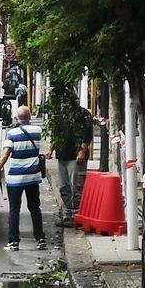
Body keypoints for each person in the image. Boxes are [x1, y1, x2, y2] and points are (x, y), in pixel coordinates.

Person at [0, 104, 45, 251]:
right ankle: (40, 239)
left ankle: (14, 241)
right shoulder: (37, 131)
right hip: (32, 177)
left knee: (14, 209)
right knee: (35, 207)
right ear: (30, 117)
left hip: (16, 179)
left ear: (16, 117)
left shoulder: (12, 134)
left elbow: (5, 155)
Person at [45, 86, 93, 225]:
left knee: (76, 186)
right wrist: (51, 149)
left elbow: (87, 135)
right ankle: (68, 214)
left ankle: (77, 215)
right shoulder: (60, 115)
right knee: (64, 187)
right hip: (63, 155)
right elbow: (56, 134)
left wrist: (82, 151)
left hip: (75, 156)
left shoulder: (83, 114)